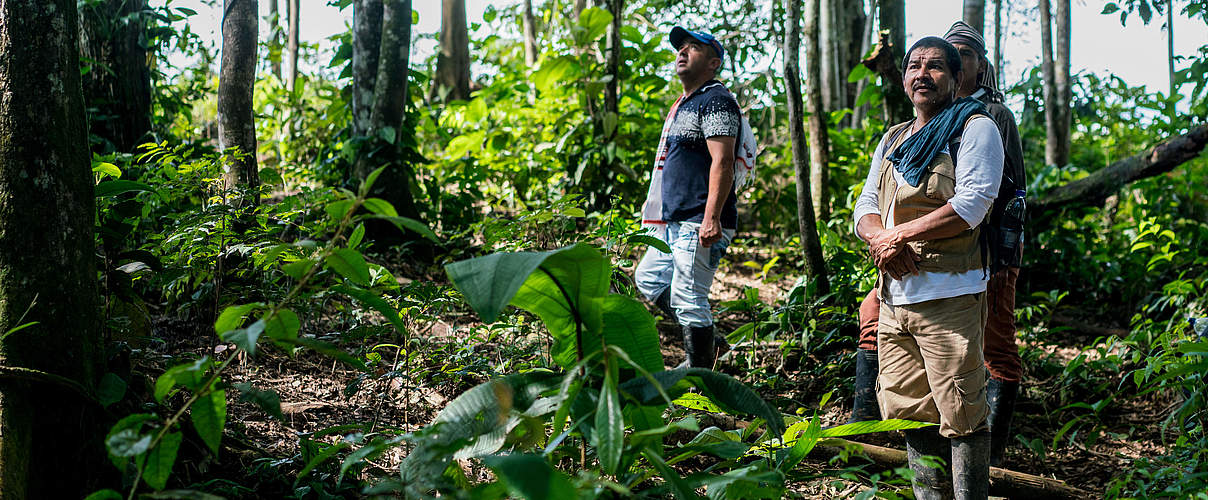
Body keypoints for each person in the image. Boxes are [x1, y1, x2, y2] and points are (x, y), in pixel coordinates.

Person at [848, 21, 1027, 469]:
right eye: (914, 64)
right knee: (906, 395)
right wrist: (883, 238)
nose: (923, 73)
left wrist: (902, 235)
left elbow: (983, 200)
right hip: (901, 279)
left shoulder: (984, 121)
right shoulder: (895, 137)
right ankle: (877, 442)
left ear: (969, 70)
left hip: (966, 270)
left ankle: (992, 463)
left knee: (985, 368)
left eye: (944, 61)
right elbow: (869, 203)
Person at [635, 26, 739, 369]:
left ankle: (699, 377)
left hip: (699, 219)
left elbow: (723, 161)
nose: (682, 52)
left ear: (713, 63)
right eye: (681, 47)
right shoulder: (685, 104)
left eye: (693, 48)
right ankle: (711, 343)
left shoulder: (715, 99)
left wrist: (711, 218)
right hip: (674, 221)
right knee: (648, 278)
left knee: (688, 295)